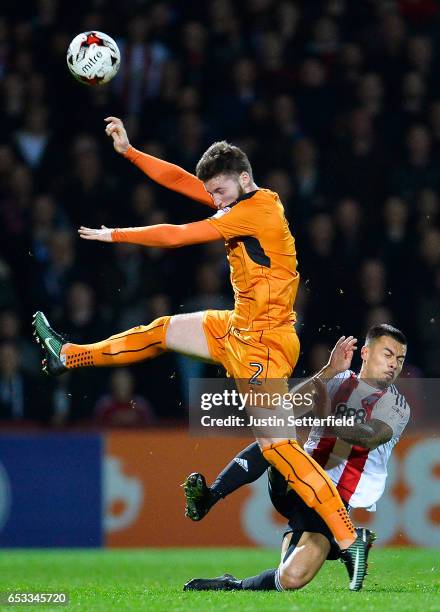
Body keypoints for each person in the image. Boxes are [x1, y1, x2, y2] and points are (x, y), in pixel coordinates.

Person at [33, 116, 369, 589]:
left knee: (280, 448)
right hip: (236, 328)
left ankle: (349, 539)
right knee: (162, 331)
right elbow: (180, 180)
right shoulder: (236, 199)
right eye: (211, 193)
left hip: (266, 345)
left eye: (218, 192)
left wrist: (116, 236)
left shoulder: (259, 210)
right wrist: (130, 152)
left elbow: (176, 235)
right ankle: (69, 355)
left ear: (244, 180)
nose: (213, 200)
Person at [183, 324, 410, 591]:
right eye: (388, 355)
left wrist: (326, 416)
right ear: (366, 352)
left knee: (290, 578)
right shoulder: (337, 380)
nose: (394, 364)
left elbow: (369, 436)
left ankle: (232, 585)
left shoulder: (396, 406)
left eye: (400, 359)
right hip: (296, 479)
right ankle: (209, 496)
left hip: (331, 504)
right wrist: (328, 371)